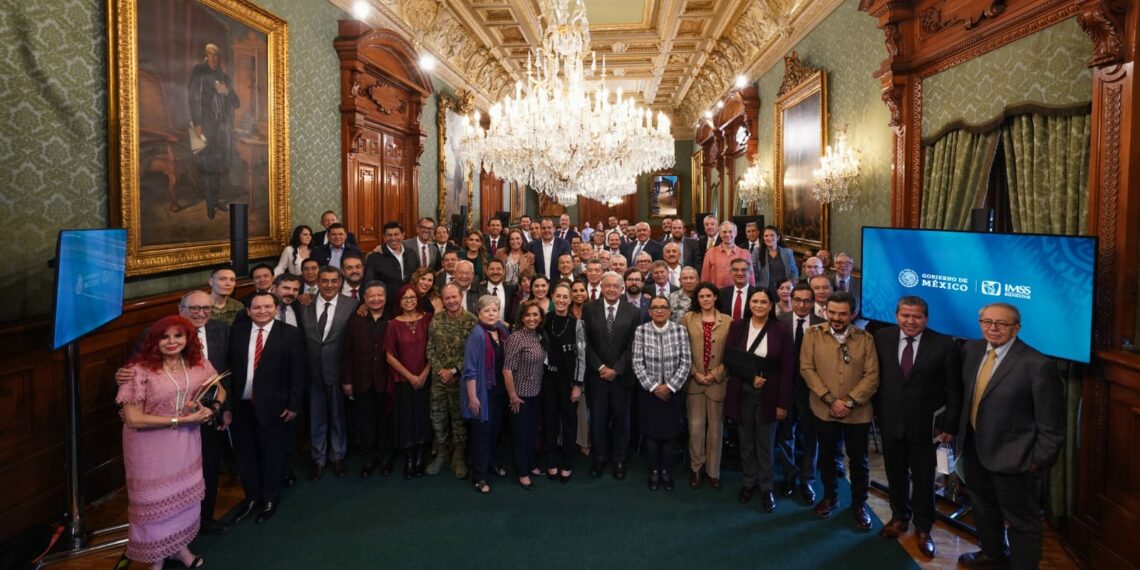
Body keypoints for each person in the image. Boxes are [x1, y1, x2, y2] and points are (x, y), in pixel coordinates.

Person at [956, 303, 1064, 570]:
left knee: (1022, 522)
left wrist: (1034, 461)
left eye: (1002, 324)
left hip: (1015, 460)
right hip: (974, 449)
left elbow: (1052, 426)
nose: (993, 328)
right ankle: (992, 554)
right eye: (987, 322)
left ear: (1017, 328)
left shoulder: (1038, 365)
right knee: (983, 508)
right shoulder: (971, 349)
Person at [116, 315, 217, 568]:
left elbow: (218, 386)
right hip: (149, 448)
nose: (172, 342)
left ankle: (180, 549)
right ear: (153, 340)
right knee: (155, 505)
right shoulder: (137, 370)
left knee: (183, 501)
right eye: (164, 337)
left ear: (188, 339)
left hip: (186, 442)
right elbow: (133, 418)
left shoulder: (197, 362)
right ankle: (156, 559)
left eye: (178, 336)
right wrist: (178, 420)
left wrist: (209, 406)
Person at [874, 295, 962, 559]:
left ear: (926, 318)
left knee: (924, 481)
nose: (910, 321)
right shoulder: (882, 338)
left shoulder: (945, 344)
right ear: (896, 315)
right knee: (896, 476)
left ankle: (924, 528)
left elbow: (955, 390)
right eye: (905, 315)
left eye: (917, 316)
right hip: (891, 424)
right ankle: (899, 518)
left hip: (927, 429)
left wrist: (950, 425)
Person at [801, 291, 880, 529]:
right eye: (831, 312)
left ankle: (859, 504)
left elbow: (872, 376)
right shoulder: (812, 335)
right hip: (824, 410)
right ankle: (830, 497)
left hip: (857, 413)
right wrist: (830, 400)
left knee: (859, 461)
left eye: (842, 314)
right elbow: (807, 369)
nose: (836, 317)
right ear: (825, 311)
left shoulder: (865, 339)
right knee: (826, 457)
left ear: (852, 314)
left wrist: (848, 402)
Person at [227, 292, 306, 525]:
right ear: (248, 310)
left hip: (275, 407)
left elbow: (298, 373)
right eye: (257, 307)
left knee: (272, 454)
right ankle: (252, 497)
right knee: (246, 455)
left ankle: (270, 498)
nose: (263, 311)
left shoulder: (290, 334)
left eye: (268, 306)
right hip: (242, 406)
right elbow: (229, 370)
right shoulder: (237, 331)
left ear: (275, 308)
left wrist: (293, 405)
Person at [583, 271, 642, 480]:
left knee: (621, 420)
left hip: (622, 377)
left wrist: (616, 368)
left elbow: (633, 345)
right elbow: (585, 342)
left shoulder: (633, 312)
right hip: (596, 377)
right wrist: (600, 367)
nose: (611, 289)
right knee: (597, 420)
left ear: (622, 289)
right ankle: (599, 457)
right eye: (607, 285)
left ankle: (619, 458)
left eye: (615, 286)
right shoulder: (589, 309)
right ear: (601, 287)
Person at [301, 266, 356, 481]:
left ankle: (338, 456)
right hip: (312, 371)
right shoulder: (304, 303)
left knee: (337, 416)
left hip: (337, 370)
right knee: (316, 416)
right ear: (318, 282)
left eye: (334, 281)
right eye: (325, 281)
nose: (330, 285)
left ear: (340, 282)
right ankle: (318, 459)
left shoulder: (352, 305)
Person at [632, 296, 692, 490]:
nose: (659, 310)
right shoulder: (641, 331)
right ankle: (654, 470)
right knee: (651, 433)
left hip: (672, 392)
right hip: (649, 392)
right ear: (649, 312)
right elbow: (637, 362)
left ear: (669, 311)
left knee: (670, 433)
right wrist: (653, 387)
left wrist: (670, 387)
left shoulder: (680, 330)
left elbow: (686, 362)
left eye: (663, 307)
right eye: (655, 307)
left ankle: (666, 470)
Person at [775, 282, 825, 504]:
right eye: (798, 300)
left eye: (807, 300)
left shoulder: (822, 325)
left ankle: (807, 480)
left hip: (812, 392)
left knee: (811, 438)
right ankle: (789, 475)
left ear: (813, 302)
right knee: (786, 436)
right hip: (785, 390)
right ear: (791, 300)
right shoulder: (779, 323)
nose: (802, 305)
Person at [424, 283, 477, 478]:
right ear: (443, 300)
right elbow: (429, 348)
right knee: (438, 418)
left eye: (454, 297)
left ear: (461, 296)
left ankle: (459, 456)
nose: (452, 301)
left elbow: (473, 354)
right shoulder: (436, 320)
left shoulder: (472, 321)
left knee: (459, 420)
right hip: (439, 381)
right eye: (447, 298)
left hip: (461, 382)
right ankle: (442, 453)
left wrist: (453, 371)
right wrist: (441, 371)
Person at [681, 282, 731, 489]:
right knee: (696, 427)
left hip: (717, 383)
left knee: (716, 430)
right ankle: (696, 469)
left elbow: (731, 353)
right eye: (701, 296)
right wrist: (695, 373)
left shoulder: (728, 321)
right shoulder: (688, 319)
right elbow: (682, 348)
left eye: (709, 296)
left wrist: (715, 374)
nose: (705, 299)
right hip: (694, 381)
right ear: (697, 299)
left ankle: (713, 471)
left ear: (716, 297)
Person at [342, 283, 393, 478]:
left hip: (385, 380)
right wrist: (347, 381)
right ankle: (370, 459)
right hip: (361, 380)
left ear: (385, 297)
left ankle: (385, 458)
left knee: (385, 421)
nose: (376, 299)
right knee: (365, 422)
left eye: (380, 295)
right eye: (371, 296)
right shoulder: (355, 320)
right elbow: (347, 352)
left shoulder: (393, 319)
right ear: (365, 298)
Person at [462, 295, 512, 494]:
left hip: (499, 392)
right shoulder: (477, 334)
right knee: (481, 435)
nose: (491, 314)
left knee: (495, 432)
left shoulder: (502, 330)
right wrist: (473, 398)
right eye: (486, 311)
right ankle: (479, 476)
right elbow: (470, 369)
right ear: (478, 313)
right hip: (482, 393)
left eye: (494, 310)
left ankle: (492, 464)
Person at [385, 284, 434, 478]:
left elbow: (434, 349)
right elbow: (389, 356)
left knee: (423, 418)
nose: (409, 301)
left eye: (413, 297)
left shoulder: (428, 319)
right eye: (405, 298)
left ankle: (421, 457)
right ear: (399, 301)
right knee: (407, 418)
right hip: (404, 380)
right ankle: (410, 458)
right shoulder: (393, 324)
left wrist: (423, 374)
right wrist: (411, 376)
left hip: (426, 377)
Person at [188, 43, 238, 220]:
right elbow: (193, 98)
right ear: (206, 55)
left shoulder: (223, 76)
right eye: (212, 55)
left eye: (217, 56)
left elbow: (236, 103)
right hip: (206, 126)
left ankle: (215, 200)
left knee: (218, 166)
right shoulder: (199, 72)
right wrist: (197, 123)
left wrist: (227, 91)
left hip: (222, 128)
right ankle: (210, 203)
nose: (215, 59)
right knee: (208, 165)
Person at [542, 282, 586, 482]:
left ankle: (567, 462)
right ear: (552, 298)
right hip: (547, 380)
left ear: (570, 300)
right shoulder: (544, 320)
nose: (561, 300)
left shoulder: (577, 324)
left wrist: (578, 384)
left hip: (569, 382)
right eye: (557, 296)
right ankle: (551, 461)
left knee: (569, 422)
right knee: (549, 421)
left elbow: (581, 356)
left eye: (565, 297)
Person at [503, 301, 547, 489]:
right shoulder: (516, 338)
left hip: (535, 393)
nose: (532, 318)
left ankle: (530, 464)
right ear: (522, 317)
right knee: (520, 435)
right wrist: (513, 396)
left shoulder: (539, 336)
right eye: (528, 315)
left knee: (531, 433)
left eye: (535, 315)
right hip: (519, 396)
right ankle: (522, 472)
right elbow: (507, 370)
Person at [364, 221, 419, 307]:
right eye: (389, 235)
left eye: (396, 234)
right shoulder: (375, 257)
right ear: (384, 237)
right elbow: (368, 283)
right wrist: (364, 303)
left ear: (403, 235)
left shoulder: (412, 253)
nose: (393, 238)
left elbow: (417, 277)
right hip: (386, 305)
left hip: (410, 303)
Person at [701, 221, 753, 289]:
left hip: (739, 296)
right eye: (724, 232)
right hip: (716, 296)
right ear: (720, 234)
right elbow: (705, 279)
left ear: (736, 233)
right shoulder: (710, 253)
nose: (727, 235)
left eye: (730, 232)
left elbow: (751, 280)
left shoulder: (745, 254)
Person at [831, 252, 862, 317]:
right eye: (839, 263)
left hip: (854, 321)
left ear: (852, 266)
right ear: (834, 265)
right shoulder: (826, 281)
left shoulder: (860, 284)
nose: (843, 265)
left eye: (847, 263)